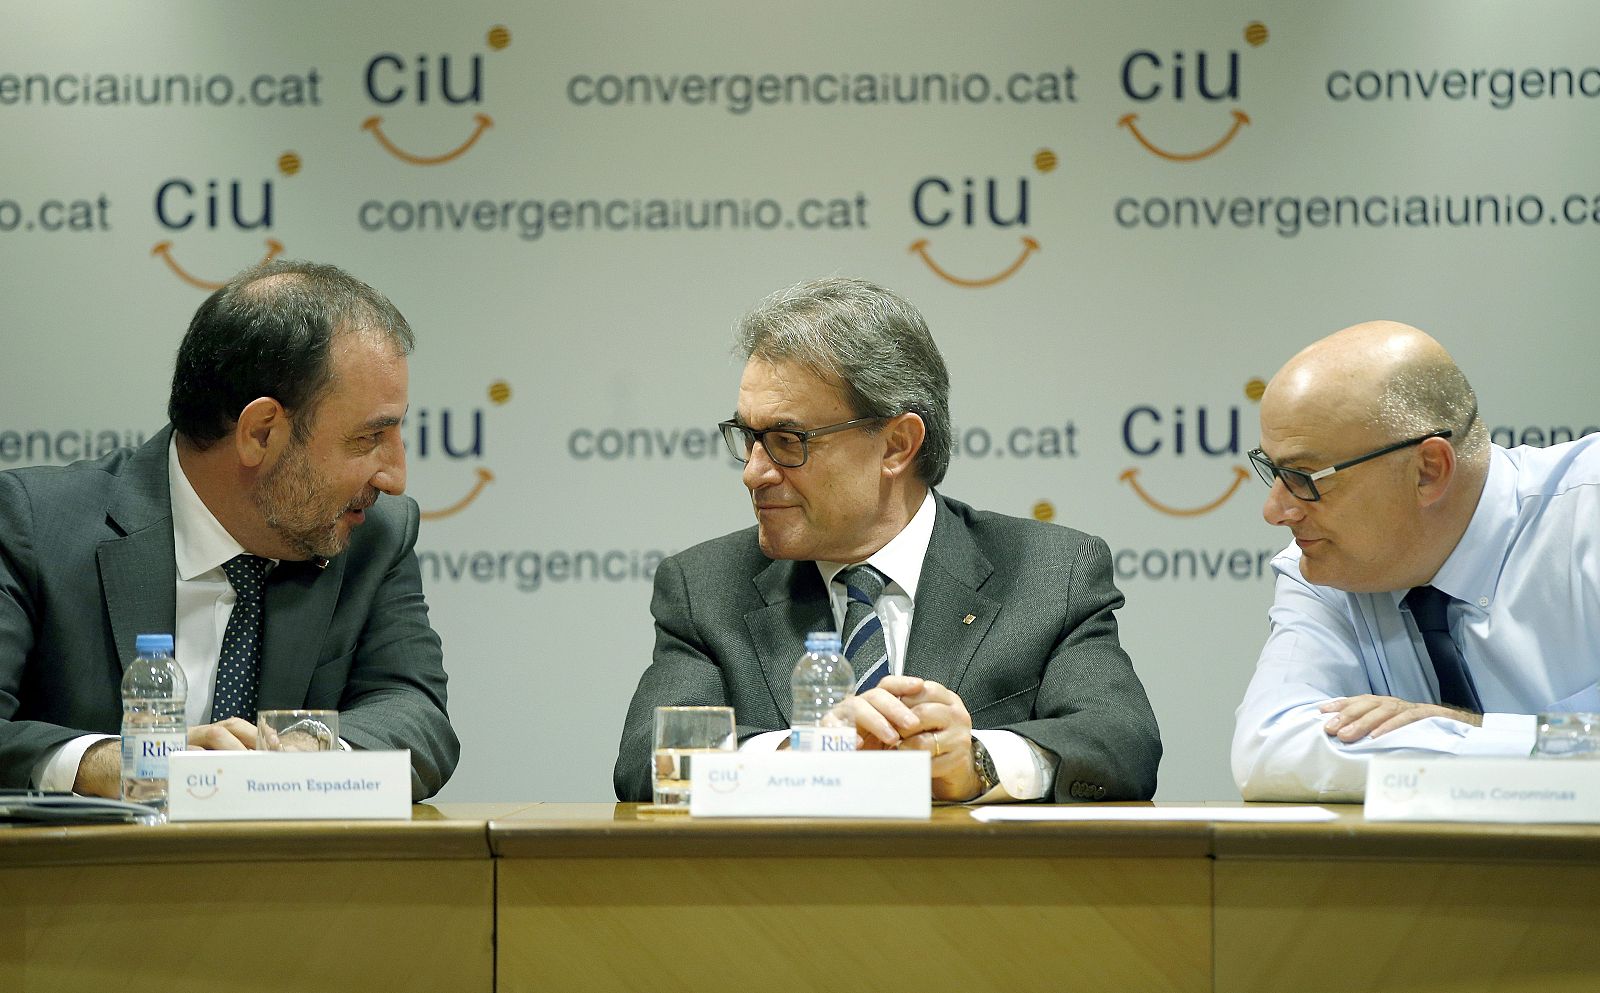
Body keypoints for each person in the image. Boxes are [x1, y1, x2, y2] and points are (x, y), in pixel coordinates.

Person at [614, 277, 1160, 803]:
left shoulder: (1049, 574)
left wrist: (974, 763)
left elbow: (1122, 743)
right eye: (749, 438)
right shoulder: (706, 587)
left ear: (897, 445)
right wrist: (807, 753)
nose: (754, 473)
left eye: (787, 440)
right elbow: (648, 759)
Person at [0, 260, 459, 801]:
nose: (396, 477)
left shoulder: (372, 535)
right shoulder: (33, 525)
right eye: (368, 439)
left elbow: (416, 714)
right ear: (261, 433)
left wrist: (309, 754)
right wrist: (116, 765)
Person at [1232, 320, 1600, 801]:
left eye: (1304, 476)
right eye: (1273, 471)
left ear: (1428, 471)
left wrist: (1482, 735)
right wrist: (1531, 748)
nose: (1275, 510)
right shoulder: (1322, 567)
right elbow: (1270, 749)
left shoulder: (1588, 512)